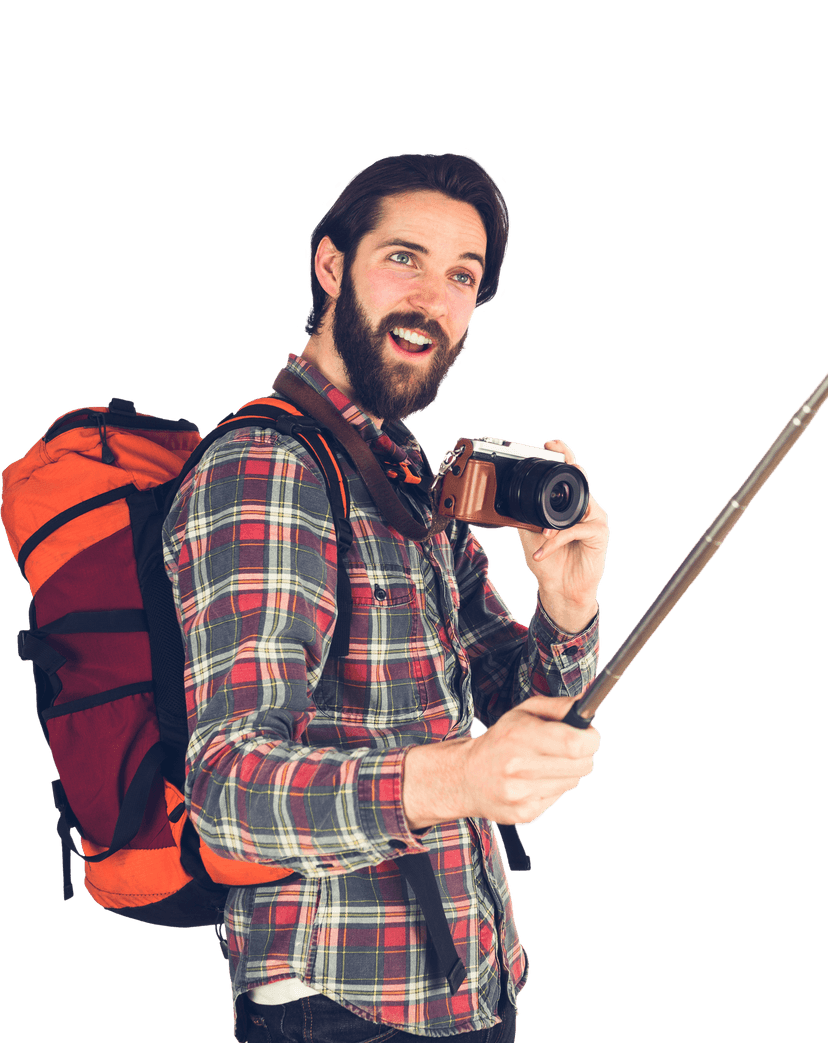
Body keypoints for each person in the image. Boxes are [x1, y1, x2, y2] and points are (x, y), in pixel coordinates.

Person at [163, 152, 608, 1043]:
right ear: (332, 266)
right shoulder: (269, 469)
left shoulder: (401, 472)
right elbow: (229, 788)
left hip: (465, 986)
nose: (432, 299)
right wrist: (456, 777)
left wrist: (566, 605)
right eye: (405, 258)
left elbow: (513, 712)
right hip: (341, 1010)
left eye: (462, 276)